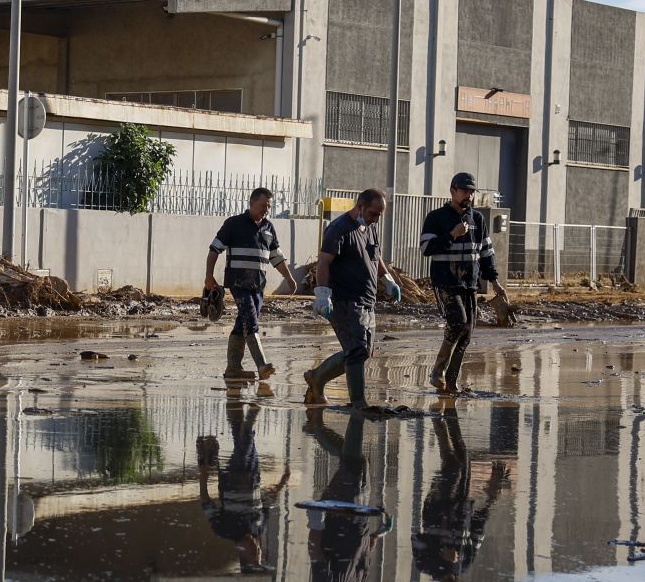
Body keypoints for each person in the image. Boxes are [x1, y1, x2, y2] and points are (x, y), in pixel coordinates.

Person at [305, 190, 401, 408]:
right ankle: (358, 403)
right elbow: (323, 262)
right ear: (360, 206)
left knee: (364, 351)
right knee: (357, 351)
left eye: (378, 215)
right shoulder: (338, 229)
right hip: (344, 300)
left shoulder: (370, 228)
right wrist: (322, 293)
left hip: (367, 301)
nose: (375, 218)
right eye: (372, 213)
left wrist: (387, 280)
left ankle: (316, 377)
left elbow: (375, 257)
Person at [411, 407, 508, 582]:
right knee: (463, 458)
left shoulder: (426, 565)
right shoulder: (464, 564)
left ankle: (440, 422)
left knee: (453, 467)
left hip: (439, 505)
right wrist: (491, 498)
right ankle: (448, 417)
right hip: (462, 505)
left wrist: (439, 551)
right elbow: (476, 531)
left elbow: (416, 538)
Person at [420, 172, 508, 393]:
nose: (468, 195)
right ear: (453, 190)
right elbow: (426, 248)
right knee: (458, 322)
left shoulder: (477, 219)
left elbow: (487, 253)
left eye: (471, 191)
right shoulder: (436, 217)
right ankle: (437, 372)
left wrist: (495, 282)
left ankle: (450, 381)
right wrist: (452, 234)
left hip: (469, 284)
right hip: (445, 281)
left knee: (467, 333)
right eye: (464, 190)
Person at [204, 187, 298, 381]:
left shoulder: (269, 228)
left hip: (258, 286)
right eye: (263, 205)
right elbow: (214, 250)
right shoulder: (233, 224)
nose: (266, 210)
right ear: (251, 202)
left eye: (269, 207)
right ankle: (262, 365)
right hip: (238, 283)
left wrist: (289, 278)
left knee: (242, 324)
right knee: (251, 320)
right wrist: (209, 276)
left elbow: (276, 258)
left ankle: (233, 368)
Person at [304, 410, 386, 582]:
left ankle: (319, 428)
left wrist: (316, 519)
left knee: (355, 463)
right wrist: (378, 535)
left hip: (338, 512)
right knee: (359, 463)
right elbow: (363, 555)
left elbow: (316, 553)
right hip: (360, 515)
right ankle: (319, 428)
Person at [196, 397, 290, 571]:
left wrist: (203, 475)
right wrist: (283, 481)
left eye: (255, 553)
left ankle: (253, 411)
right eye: (259, 552)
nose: (258, 548)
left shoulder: (224, 530)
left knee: (245, 440)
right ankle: (234, 399)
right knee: (240, 435)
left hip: (233, 478)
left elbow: (206, 503)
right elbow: (268, 503)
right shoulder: (259, 529)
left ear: (243, 555)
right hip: (253, 474)